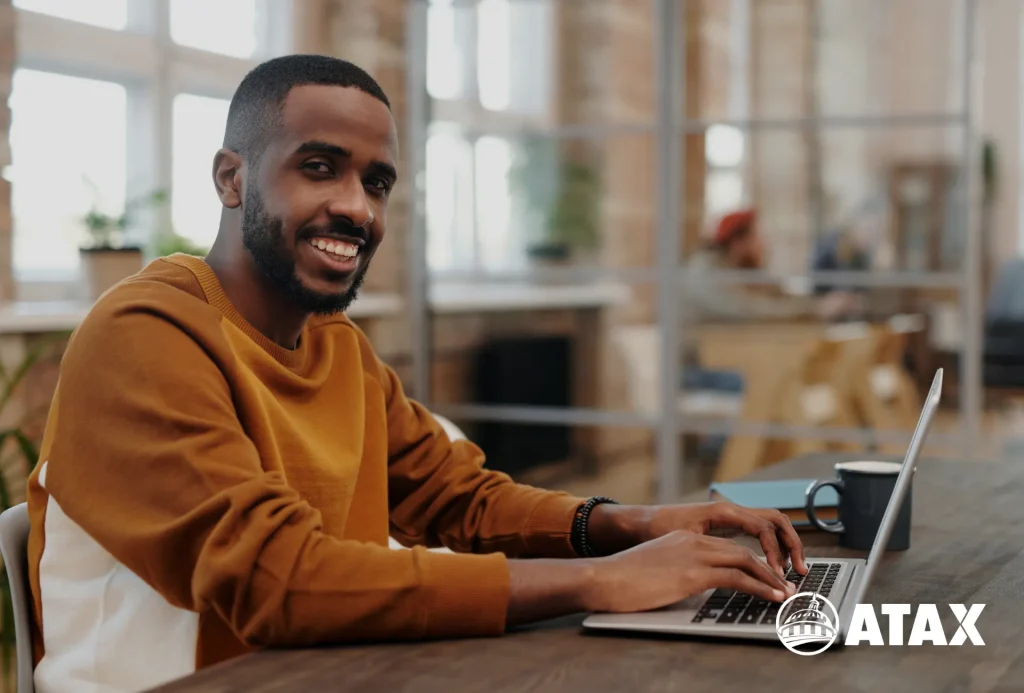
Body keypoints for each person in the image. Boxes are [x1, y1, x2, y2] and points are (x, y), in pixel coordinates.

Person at [24, 56, 805, 693]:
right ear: (232, 178)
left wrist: (632, 525)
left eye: (376, 182)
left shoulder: (336, 345)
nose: (357, 208)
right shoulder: (144, 333)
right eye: (320, 167)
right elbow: (275, 577)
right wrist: (599, 581)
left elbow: (459, 497)